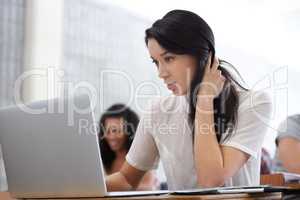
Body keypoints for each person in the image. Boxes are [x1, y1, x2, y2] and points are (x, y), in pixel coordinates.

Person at [106, 9, 272, 191]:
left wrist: (204, 101)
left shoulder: (254, 103)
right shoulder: (158, 110)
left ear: (204, 57)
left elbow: (210, 180)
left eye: (169, 58)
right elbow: (127, 179)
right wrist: (75, 184)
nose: (161, 73)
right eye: (156, 62)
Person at [98, 104, 158, 190]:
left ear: (130, 132)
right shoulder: (104, 158)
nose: (111, 136)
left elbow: (148, 188)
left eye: (116, 130)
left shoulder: (140, 156)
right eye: (107, 131)